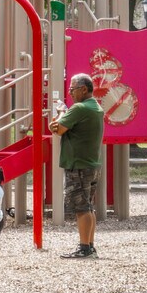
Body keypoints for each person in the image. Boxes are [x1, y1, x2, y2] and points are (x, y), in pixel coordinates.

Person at [48, 73, 104, 259]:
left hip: (78, 164)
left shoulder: (79, 108)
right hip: (91, 163)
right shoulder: (95, 106)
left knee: (81, 208)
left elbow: (59, 129)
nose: (70, 92)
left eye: (72, 89)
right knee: (88, 207)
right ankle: (89, 245)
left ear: (83, 89)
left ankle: (84, 248)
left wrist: (60, 114)